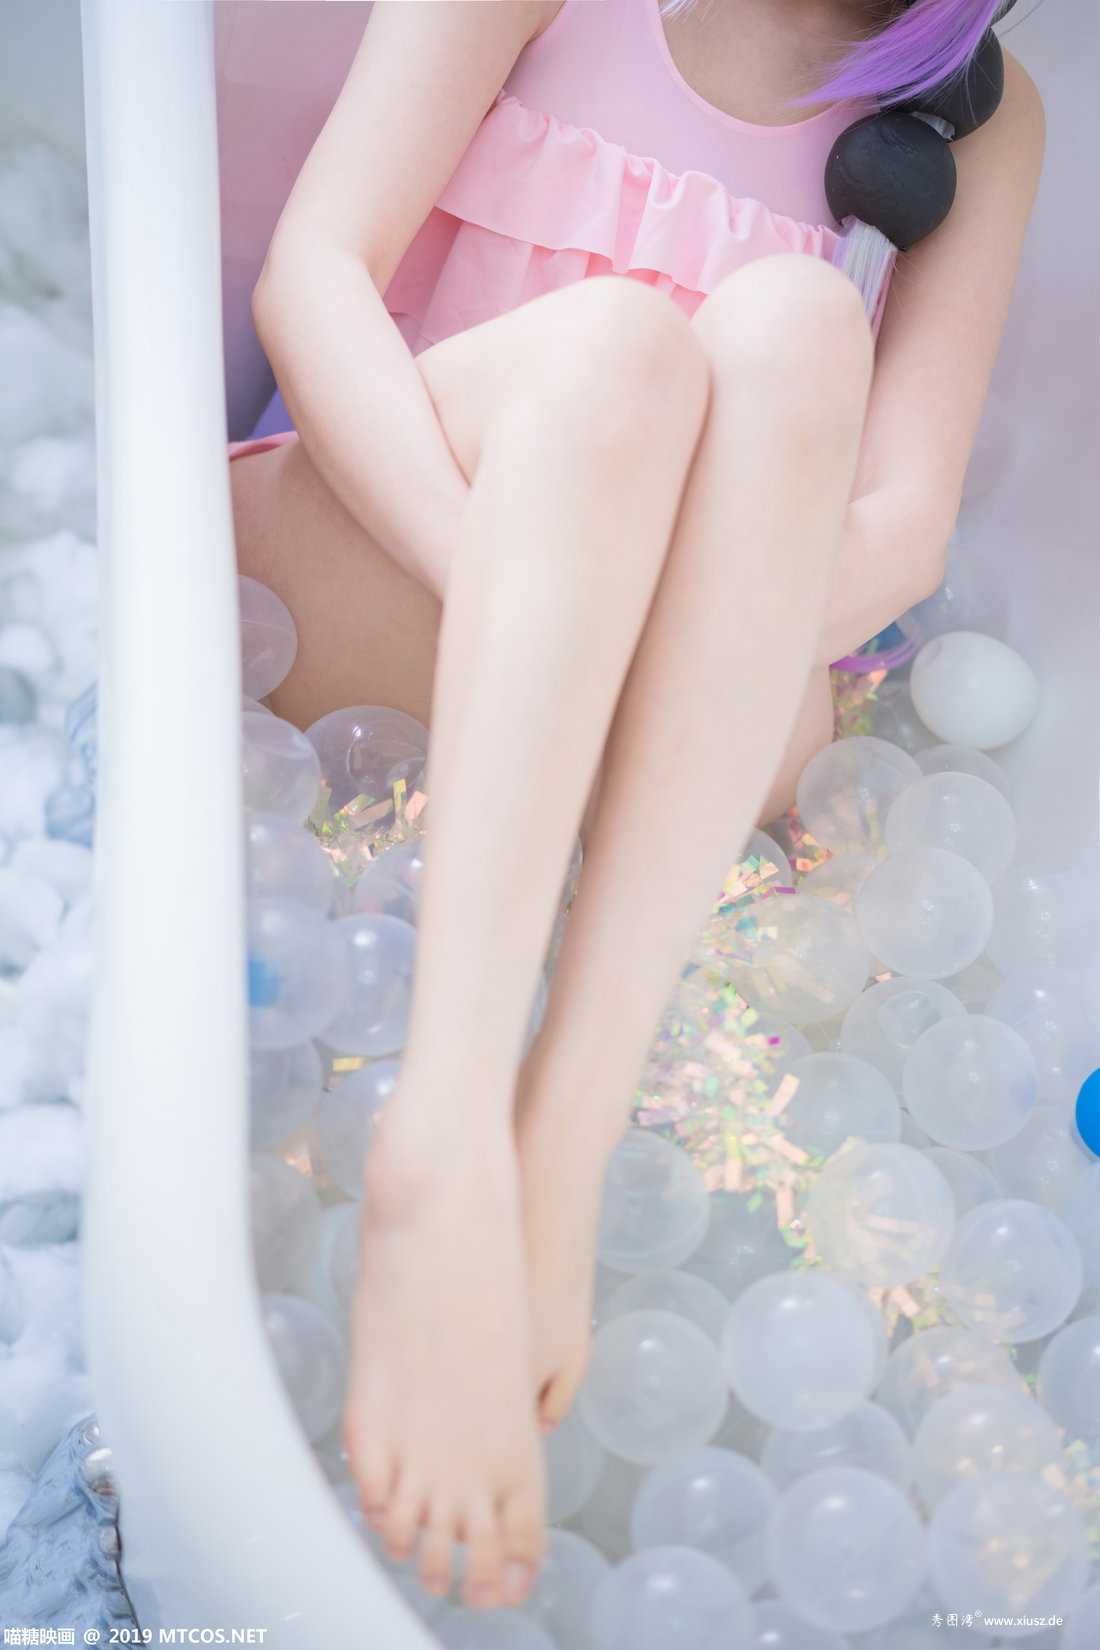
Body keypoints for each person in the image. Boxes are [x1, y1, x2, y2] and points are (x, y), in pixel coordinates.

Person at [228, 0, 1044, 1612]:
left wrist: (638, 652)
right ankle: (444, 1133)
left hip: (672, 718)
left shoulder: (984, 115)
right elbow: (314, 275)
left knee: (802, 329)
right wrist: (532, 605)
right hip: (379, 550)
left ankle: (563, 1135)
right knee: (619, 355)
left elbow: (902, 527)